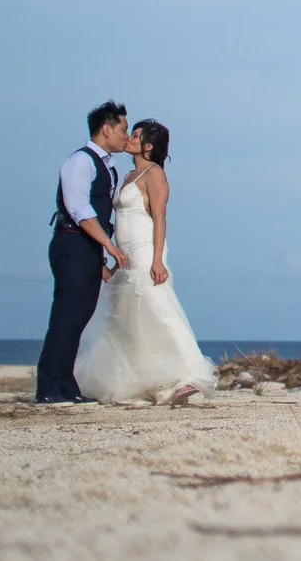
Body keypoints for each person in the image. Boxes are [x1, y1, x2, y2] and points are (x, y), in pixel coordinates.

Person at [74, 118, 214, 403]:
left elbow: (160, 218)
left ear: (148, 146)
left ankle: (189, 375)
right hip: (125, 257)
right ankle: (151, 381)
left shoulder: (154, 173)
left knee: (159, 310)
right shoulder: (126, 176)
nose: (129, 139)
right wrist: (112, 260)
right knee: (130, 320)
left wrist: (157, 260)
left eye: (135, 136)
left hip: (147, 251)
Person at [35, 102, 130, 404]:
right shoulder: (81, 161)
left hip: (88, 249)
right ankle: (48, 387)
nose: (126, 136)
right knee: (65, 315)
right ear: (107, 128)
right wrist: (111, 247)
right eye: (124, 129)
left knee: (79, 317)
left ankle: (66, 384)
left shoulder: (109, 167)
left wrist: (101, 258)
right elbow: (81, 210)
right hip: (71, 243)